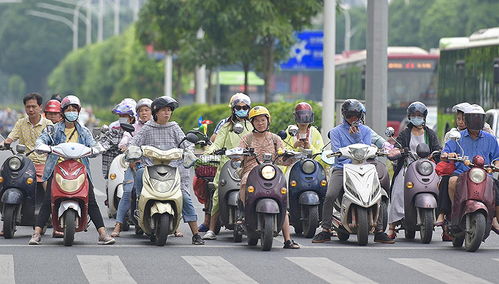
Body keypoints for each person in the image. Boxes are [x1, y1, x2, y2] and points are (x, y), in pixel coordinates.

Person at [29, 95, 115, 245]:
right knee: (48, 200)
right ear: (62, 112)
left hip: (80, 170)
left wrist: (96, 149)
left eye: (74, 109)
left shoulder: (84, 131)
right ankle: (36, 233)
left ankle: (102, 233)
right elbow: (41, 140)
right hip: (57, 169)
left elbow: (93, 144)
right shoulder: (53, 130)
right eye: (68, 109)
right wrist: (43, 146)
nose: (71, 112)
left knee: (91, 201)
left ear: (78, 111)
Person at [312, 99, 394, 244]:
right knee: (330, 194)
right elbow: (337, 153)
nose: (353, 119)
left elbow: (367, 150)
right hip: (342, 169)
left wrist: (356, 137)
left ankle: (380, 230)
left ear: (361, 116)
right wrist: (350, 161)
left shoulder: (366, 131)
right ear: (344, 116)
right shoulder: (336, 132)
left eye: (356, 116)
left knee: (378, 194)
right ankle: (325, 229)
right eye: (350, 116)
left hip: (364, 167)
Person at [128, 96, 205, 245]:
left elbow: (186, 144)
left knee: (185, 197)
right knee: (138, 174)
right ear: (156, 112)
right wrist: (132, 152)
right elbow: (134, 143)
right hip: (150, 169)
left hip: (173, 170)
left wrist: (189, 151)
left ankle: (196, 234)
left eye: (169, 110)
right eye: (164, 110)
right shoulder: (147, 128)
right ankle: (140, 209)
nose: (167, 113)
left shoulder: (174, 127)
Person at [235, 106, 300, 249]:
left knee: (282, 199)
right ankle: (242, 213)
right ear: (252, 123)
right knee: (245, 182)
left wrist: (291, 157)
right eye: (257, 121)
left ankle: (288, 240)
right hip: (251, 171)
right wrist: (236, 155)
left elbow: (281, 159)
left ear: (268, 121)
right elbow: (239, 156)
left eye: (263, 120)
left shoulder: (275, 139)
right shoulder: (247, 138)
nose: (260, 123)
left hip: (272, 172)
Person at [0, 93, 53, 237]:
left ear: (40, 108)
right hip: (25, 164)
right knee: (6, 180)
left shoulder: (48, 125)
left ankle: (55, 222)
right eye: (28, 106)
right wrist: (5, 144)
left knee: (49, 191)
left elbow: (54, 141)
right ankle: (6, 221)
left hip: (43, 163)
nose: (30, 109)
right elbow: (11, 137)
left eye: (33, 106)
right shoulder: (21, 123)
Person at [386, 102, 441, 239]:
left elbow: (437, 148)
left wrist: (438, 154)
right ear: (409, 117)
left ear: (424, 117)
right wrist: (400, 151)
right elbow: (398, 147)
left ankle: (445, 225)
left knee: (440, 186)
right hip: (408, 166)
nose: (417, 118)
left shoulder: (430, 133)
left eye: (419, 115)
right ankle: (392, 226)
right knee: (399, 187)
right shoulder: (405, 133)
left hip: (428, 167)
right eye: (414, 115)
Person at [441, 104, 499, 234]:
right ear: (467, 120)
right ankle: (454, 210)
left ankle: (494, 218)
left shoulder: (490, 138)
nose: (476, 121)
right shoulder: (457, 137)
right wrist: (448, 155)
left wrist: (496, 166)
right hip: (462, 173)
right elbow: (445, 153)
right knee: (452, 182)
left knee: (496, 188)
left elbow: (497, 157)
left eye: (478, 118)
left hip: (484, 175)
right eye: (473, 118)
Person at [201, 93, 252, 239]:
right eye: (238, 107)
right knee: (217, 194)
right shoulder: (226, 126)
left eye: (245, 107)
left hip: (247, 164)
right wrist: (208, 153)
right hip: (227, 165)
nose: (241, 109)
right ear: (233, 109)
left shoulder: (252, 125)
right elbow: (216, 144)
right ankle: (211, 229)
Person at [111, 98, 153, 237]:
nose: (144, 113)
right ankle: (118, 225)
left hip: (155, 166)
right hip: (136, 165)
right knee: (127, 192)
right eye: (141, 110)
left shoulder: (158, 127)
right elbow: (126, 138)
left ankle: (176, 226)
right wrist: (124, 145)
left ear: (152, 112)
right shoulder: (134, 128)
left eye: (146, 110)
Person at [100, 98, 137, 180]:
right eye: (120, 115)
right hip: (115, 162)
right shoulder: (113, 126)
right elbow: (106, 140)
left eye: (124, 116)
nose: (122, 118)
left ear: (132, 116)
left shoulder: (137, 127)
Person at [282, 102, 325, 170]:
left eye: (306, 117)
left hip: (311, 167)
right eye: (301, 117)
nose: (303, 122)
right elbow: (282, 154)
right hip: (292, 167)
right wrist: (294, 146)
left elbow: (322, 157)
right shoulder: (290, 131)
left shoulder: (314, 132)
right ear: (296, 117)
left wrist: (309, 147)